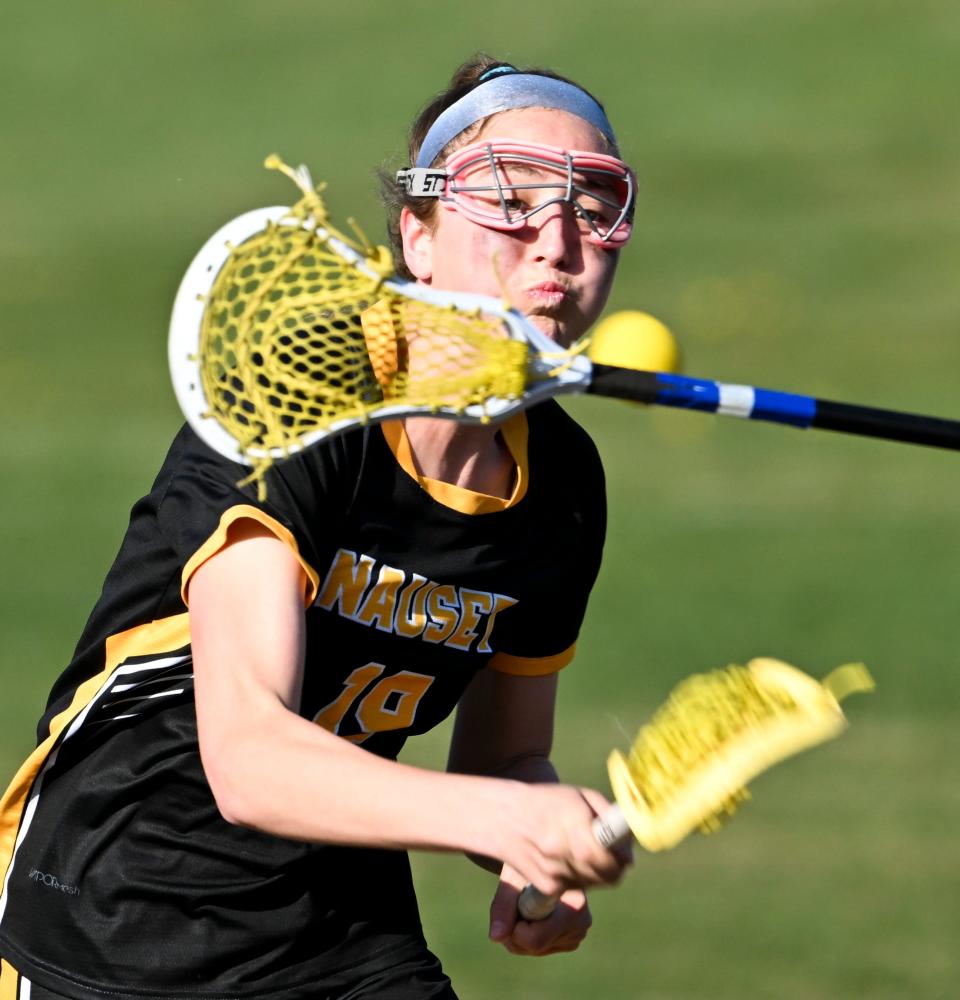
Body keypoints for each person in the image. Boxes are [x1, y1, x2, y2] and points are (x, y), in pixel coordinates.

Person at [0, 54, 637, 1000]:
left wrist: (541, 833)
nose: (555, 240)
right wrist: (499, 817)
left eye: (593, 206)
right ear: (418, 237)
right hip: (113, 905)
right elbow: (251, 762)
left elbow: (503, 755)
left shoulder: (563, 485)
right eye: (508, 197)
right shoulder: (300, 398)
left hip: (337, 927)